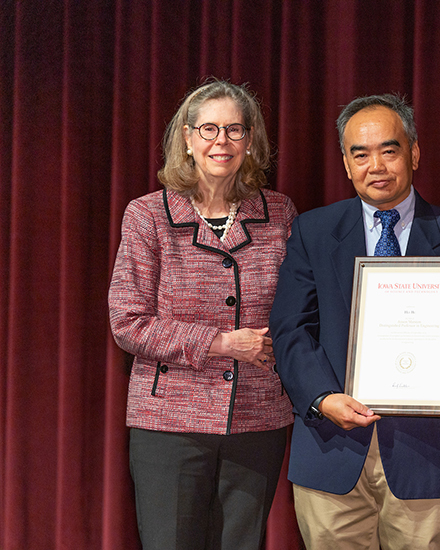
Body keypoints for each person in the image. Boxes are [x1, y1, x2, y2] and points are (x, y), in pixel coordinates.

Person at [269, 93, 440, 550]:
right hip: (331, 446)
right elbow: (290, 330)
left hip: (423, 455)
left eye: (388, 150)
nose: (375, 165)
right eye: (361, 153)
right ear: (345, 162)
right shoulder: (313, 231)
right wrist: (321, 398)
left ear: (413, 153)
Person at [108, 80, 295, 550]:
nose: (221, 142)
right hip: (169, 424)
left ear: (251, 140)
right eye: (208, 129)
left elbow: (299, 309)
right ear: (187, 139)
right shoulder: (147, 215)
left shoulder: (279, 212)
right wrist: (218, 342)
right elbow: (127, 321)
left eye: (234, 130)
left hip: (257, 421)